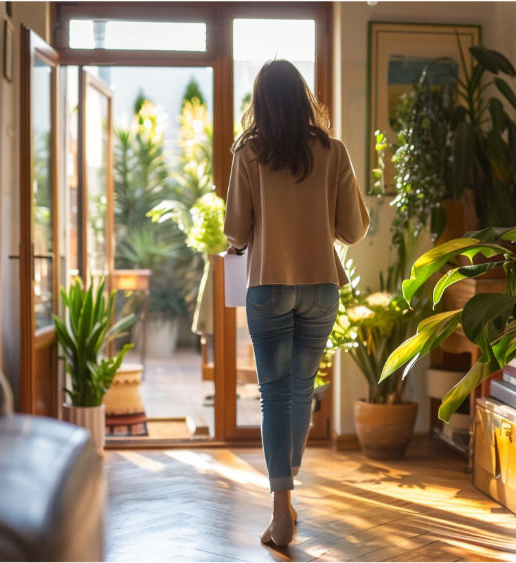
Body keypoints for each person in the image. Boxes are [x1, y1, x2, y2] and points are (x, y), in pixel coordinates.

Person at [224, 59, 370, 547]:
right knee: (302, 391)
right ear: (304, 96)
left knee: (274, 395)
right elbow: (354, 229)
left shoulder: (247, 152)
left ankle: (281, 509)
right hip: (320, 286)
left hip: (267, 286)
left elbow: (236, 231)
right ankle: (288, 498)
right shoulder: (334, 151)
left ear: (260, 101)